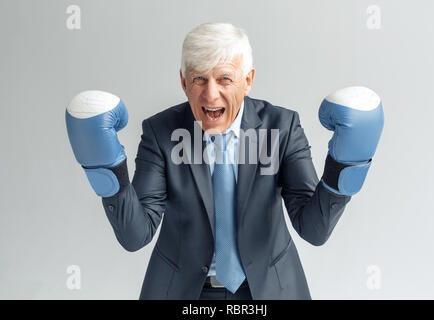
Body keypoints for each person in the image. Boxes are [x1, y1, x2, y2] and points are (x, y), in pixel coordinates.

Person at [65, 22, 384, 300]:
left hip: (269, 288)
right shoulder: (161, 132)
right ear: (183, 82)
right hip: (185, 290)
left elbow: (314, 229)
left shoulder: (281, 127)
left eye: (225, 79)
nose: (210, 95)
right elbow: (135, 235)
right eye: (199, 79)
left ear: (248, 80)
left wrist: (346, 168)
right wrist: (107, 170)